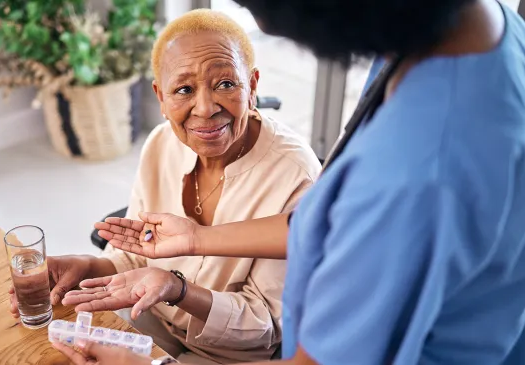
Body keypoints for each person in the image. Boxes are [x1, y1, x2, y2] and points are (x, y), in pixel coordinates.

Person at [54, 0, 525, 364]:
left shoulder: (412, 177)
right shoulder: (475, 26)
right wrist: (197, 239)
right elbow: (331, 225)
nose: (204, 108)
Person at [10, 8, 321, 364]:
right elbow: (136, 253)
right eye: (184, 89)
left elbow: (263, 326)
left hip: (229, 356)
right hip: (150, 320)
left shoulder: (297, 177)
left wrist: (178, 289)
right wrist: (87, 267)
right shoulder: (162, 143)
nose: (204, 108)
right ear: (160, 96)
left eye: (225, 84)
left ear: (252, 86)